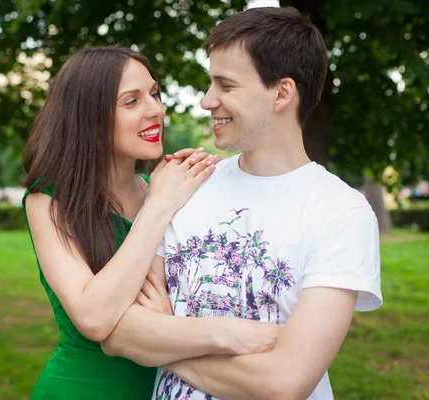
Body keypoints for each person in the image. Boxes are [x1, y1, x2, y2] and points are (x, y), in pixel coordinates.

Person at [101, 7, 383, 400]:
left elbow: (283, 383)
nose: (206, 100)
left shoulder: (340, 212)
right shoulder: (185, 185)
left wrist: (167, 342)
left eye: (226, 86)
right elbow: (117, 334)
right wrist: (216, 337)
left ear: (282, 93)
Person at [21, 46, 281, 400]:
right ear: (91, 119)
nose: (155, 110)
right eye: (131, 102)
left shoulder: (178, 192)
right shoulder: (47, 202)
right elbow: (94, 317)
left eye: (155, 94)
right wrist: (158, 206)